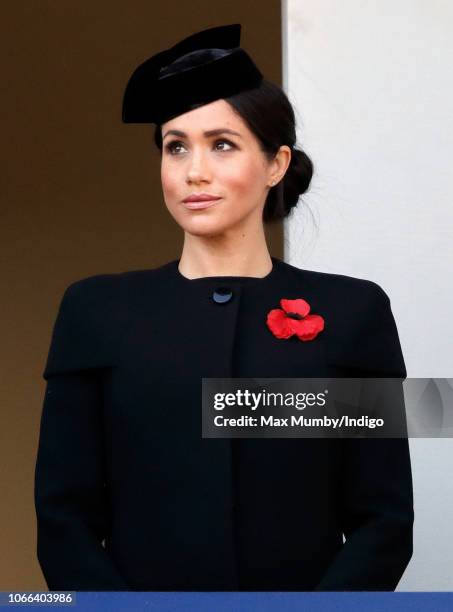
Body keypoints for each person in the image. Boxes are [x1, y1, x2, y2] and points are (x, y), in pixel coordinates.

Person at [34, 23, 413, 591]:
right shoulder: (96, 311)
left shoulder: (355, 311)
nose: (194, 171)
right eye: (176, 146)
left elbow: (382, 521)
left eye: (223, 144)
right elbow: (65, 520)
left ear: (277, 164)